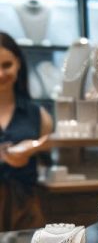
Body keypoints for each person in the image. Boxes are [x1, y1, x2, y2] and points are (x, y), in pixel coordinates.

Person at [0, 32, 53, 230]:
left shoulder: (39, 115)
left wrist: (34, 150)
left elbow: (47, 164)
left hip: (26, 212)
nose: (1, 74)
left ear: (18, 63)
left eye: (7, 65)